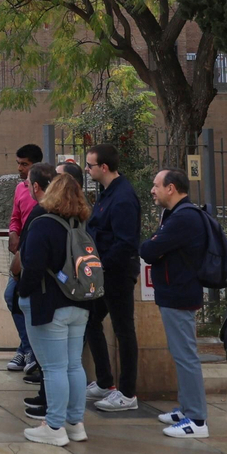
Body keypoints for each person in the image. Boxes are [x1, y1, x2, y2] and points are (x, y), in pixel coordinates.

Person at [18, 166, 92, 445]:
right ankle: (75, 423)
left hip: (50, 304)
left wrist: (22, 295)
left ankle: (54, 426)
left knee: (54, 368)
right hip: (80, 302)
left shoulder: (43, 224)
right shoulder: (80, 223)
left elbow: (32, 267)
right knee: (74, 365)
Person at [139, 167, 210, 438]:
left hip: (180, 293)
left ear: (171, 188)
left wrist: (152, 246)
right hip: (175, 292)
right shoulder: (175, 215)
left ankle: (197, 420)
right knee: (180, 354)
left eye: (157, 185)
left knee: (185, 355)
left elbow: (149, 249)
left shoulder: (184, 218)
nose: (152, 190)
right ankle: (186, 407)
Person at [83, 143, 142, 413]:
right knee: (91, 322)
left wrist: (100, 265)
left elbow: (126, 242)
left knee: (123, 330)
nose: (86, 169)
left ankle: (128, 393)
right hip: (102, 272)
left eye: (90, 165)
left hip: (116, 274)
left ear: (103, 167)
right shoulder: (107, 193)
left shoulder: (123, 197)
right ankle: (105, 382)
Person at [6, 143, 42, 372]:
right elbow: (15, 217)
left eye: (24, 164)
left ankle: (28, 350)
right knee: (13, 298)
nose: (20, 168)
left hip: (36, 254)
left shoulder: (46, 189)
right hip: (21, 252)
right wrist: (12, 232)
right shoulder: (20, 189)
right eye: (18, 164)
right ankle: (26, 348)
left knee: (18, 298)